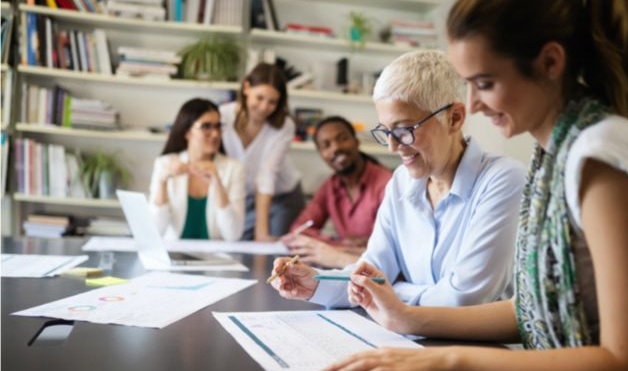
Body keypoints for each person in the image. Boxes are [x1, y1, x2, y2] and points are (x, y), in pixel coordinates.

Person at [319, 0, 628, 371]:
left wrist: (448, 363)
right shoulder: (553, 156)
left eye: (483, 82)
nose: (473, 105)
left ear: (549, 63)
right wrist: (408, 317)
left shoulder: (602, 153)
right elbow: (532, 311)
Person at [269, 50, 527, 308]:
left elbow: (464, 298)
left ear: (454, 118)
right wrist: (315, 283)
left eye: (404, 130)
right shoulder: (401, 182)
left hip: (480, 346)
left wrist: (392, 291)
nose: (392, 147)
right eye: (386, 131)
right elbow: (372, 271)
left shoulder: (504, 181)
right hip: (416, 338)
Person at [282, 116, 393, 268]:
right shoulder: (330, 186)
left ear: (356, 141)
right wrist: (339, 244)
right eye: (326, 145)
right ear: (321, 154)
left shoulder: (387, 183)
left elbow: (387, 248)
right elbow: (299, 230)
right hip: (347, 269)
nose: (335, 148)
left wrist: (329, 250)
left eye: (343, 138)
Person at [219, 63, 305, 241]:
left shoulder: (284, 126)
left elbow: (267, 176)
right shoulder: (222, 117)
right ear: (246, 87)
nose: (264, 107)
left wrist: (262, 234)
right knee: (238, 241)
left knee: (272, 250)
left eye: (272, 101)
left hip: (284, 196)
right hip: (247, 196)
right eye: (259, 98)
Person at [148, 98, 246, 241]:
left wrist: (217, 183)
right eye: (206, 126)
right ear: (187, 131)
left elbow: (233, 235)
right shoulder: (164, 164)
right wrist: (162, 181)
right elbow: (156, 231)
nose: (215, 134)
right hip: (173, 257)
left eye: (218, 126)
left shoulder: (234, 169)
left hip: (217, 259)